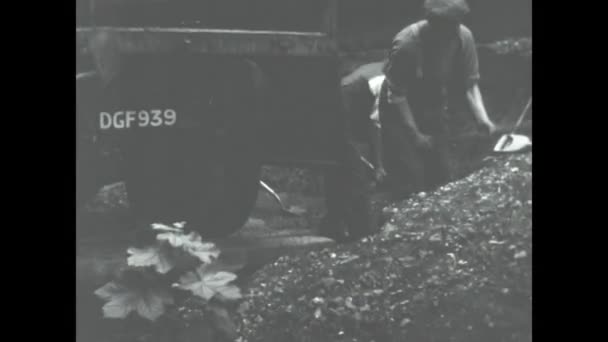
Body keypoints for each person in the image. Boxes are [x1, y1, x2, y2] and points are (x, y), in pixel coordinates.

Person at [379, 0, 497, 198]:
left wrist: (482, 119)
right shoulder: (407, 44)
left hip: (433, 103)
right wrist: (415, 134)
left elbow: (469, 84)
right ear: (432, 22)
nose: (453, 31)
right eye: (447, 25)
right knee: (410, 174)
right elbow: (397, 94)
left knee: (441, 174)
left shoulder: (463, 37)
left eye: (456, 23)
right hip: (398, 108)